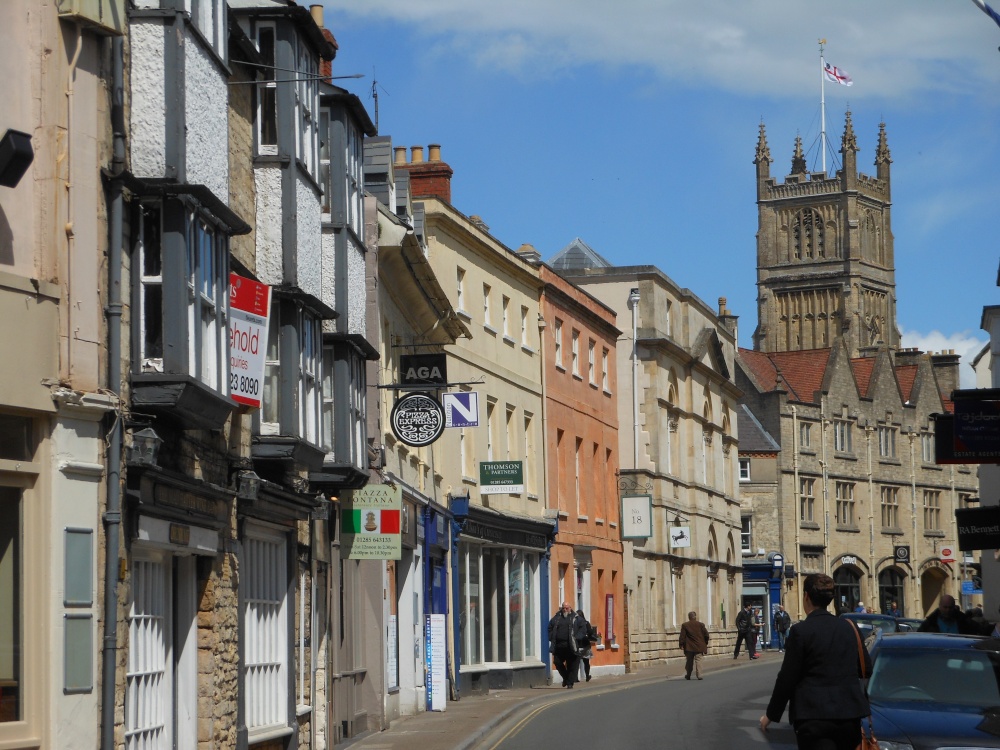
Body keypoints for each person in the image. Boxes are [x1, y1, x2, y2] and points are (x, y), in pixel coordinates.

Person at [759, 573, 872, 750]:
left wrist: (771, 715)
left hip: (813, 717)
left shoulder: (800, 631)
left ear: (806, 597)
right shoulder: (850, 627)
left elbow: (787, 678)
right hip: (849, 715)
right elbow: (866, 668)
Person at [548, 602, 581, 688]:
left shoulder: (575, 618)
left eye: (567, 608)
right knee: (557, 662)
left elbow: (582, 628)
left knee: (571, 665)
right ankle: (566, 678)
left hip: (571, 645)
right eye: (563, 608)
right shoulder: (557, 618)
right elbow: (550, 627)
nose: (565, 610)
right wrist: (551, 636)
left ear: (570, 608)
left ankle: (569, 683)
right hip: (559, 646)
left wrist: (578, 637)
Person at [679, 610, 709, 680]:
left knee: (689, 660)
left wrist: (681, 644)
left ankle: (688, 674)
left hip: (689, 647)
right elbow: (706, 635)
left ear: (689, 617)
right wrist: (705, 642)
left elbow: (682, 636)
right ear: (695, 617)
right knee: (699, 660)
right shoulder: (701, 625)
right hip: (699, 646)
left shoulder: (685, 625)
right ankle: (699, 675)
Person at [576, 609, 598, 682]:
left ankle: (576, 677)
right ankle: (587, 675)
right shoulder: (586, 623)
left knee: (576, 662)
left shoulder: (575, 624)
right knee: (586, 662)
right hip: (585, 645)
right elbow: (590, 632)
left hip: (578, 645)